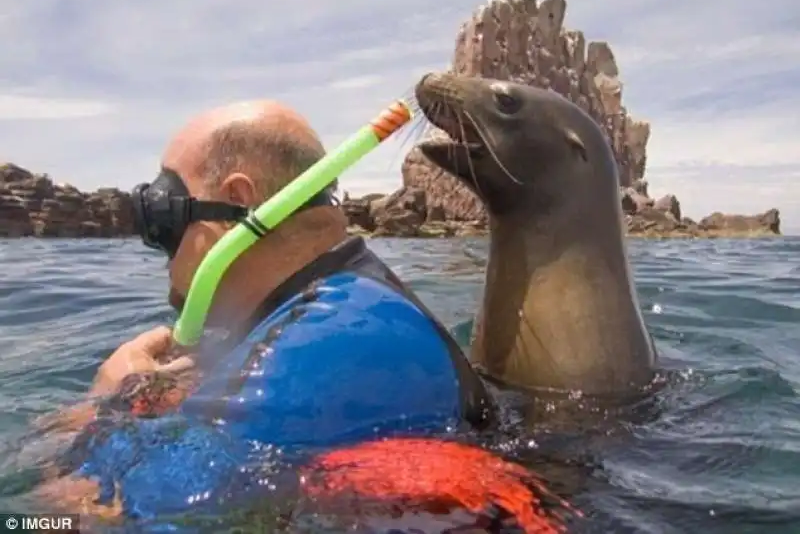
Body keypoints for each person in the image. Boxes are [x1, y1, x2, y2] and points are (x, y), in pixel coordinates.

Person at [38, 100, 495, 521]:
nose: (157, 247)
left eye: (160, 216)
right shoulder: (338, 306)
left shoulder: (332, 339)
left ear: (238, 200)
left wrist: (103, 404)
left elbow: (95, 517)